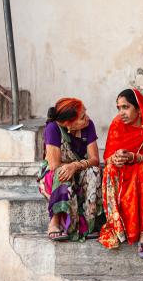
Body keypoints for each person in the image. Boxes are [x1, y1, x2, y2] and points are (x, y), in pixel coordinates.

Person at [99, 88, 143, 258]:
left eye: (126, 107)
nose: (121, 112)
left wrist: (134, 157)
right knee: (110, 168)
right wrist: (114, 159)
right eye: (119, 108)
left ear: (138, 109)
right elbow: (108, 156)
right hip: (125, 170)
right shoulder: (116, 125)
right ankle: (118, 224)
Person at [38, 98, 102, 242]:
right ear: (69, 124)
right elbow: (54, 165)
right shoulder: (53, 129)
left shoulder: (88, 125)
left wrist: (75, 166)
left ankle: (89, 223)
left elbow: (94, 159)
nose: (87, 118)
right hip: (54, 174)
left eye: (85, 113)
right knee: (63, 174)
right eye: (82, 117)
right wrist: (70, 168)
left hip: (79, 169)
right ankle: (54, 221)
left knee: (95, 171)